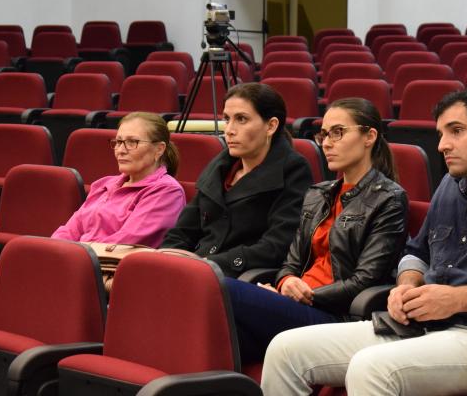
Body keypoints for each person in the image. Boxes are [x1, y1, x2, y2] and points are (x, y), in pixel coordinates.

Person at [261, 86, 467, 396]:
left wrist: (458, 299)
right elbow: (416, 252)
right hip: (421, 325)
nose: (442, 145)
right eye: (441, 133)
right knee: (286, 350)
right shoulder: (450, 186)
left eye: (456, 131)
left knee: (371, 368)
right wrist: (406, 286)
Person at [223, 97, 408, 363]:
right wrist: (286, 282)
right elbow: (291, 263)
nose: (328, 143)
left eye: (338, 132)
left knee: (218, 286)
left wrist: (302, 296)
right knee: (219, 337)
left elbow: (364, 281)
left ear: (369, 137)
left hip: (334, 316)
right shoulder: (318, 194)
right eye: (324, 134)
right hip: (297, 304)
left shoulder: (388, 199)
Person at [160, 82, 313, 277]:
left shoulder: (293, 170)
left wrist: (207, 265)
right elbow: (182, 232)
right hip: (198, 270)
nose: (229, 130)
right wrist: (165, 260)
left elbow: (276, 246)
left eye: (241, 119)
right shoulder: (220, 167)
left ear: (271, 126)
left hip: (242, 276)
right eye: (227, 119)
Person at [52, 112, 186, 247]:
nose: (120, 150)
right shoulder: (103, 184)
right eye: (119, 142)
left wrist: (78, 253)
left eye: (132, 142)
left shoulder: (167, 191)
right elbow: (70, 230)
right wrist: (56, 250)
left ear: (159, 149)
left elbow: (125, 243)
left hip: (107, 259)